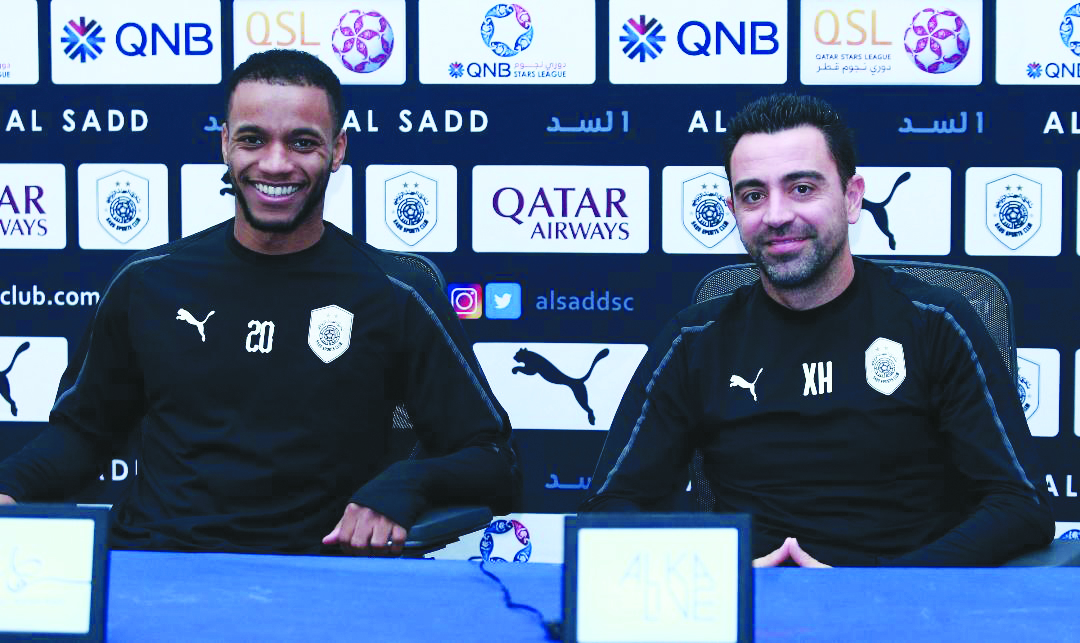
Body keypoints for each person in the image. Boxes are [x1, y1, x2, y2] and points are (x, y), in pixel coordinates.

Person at [0, 49, 519, 556]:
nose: (275, 163)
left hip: (321, 575)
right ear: (225, 144)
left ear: (338, 150)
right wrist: (10, 488)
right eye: (253, 139)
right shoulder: (147, 283)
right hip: (158, 563)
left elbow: (497, 460)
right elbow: (80, 435)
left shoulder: (396, 292)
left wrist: (409, 483)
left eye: (302, 142)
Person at [581, 93, 1053, 567]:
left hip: (902, 609)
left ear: (851, 198)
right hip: (753, 605)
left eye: (802, 188)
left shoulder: (935, 323)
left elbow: (1020, 505)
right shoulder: (696, 340)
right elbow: (607, 509)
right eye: (753, 195)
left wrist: (875, 585)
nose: (777, 215)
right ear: (732, 209)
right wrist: (719, 573)